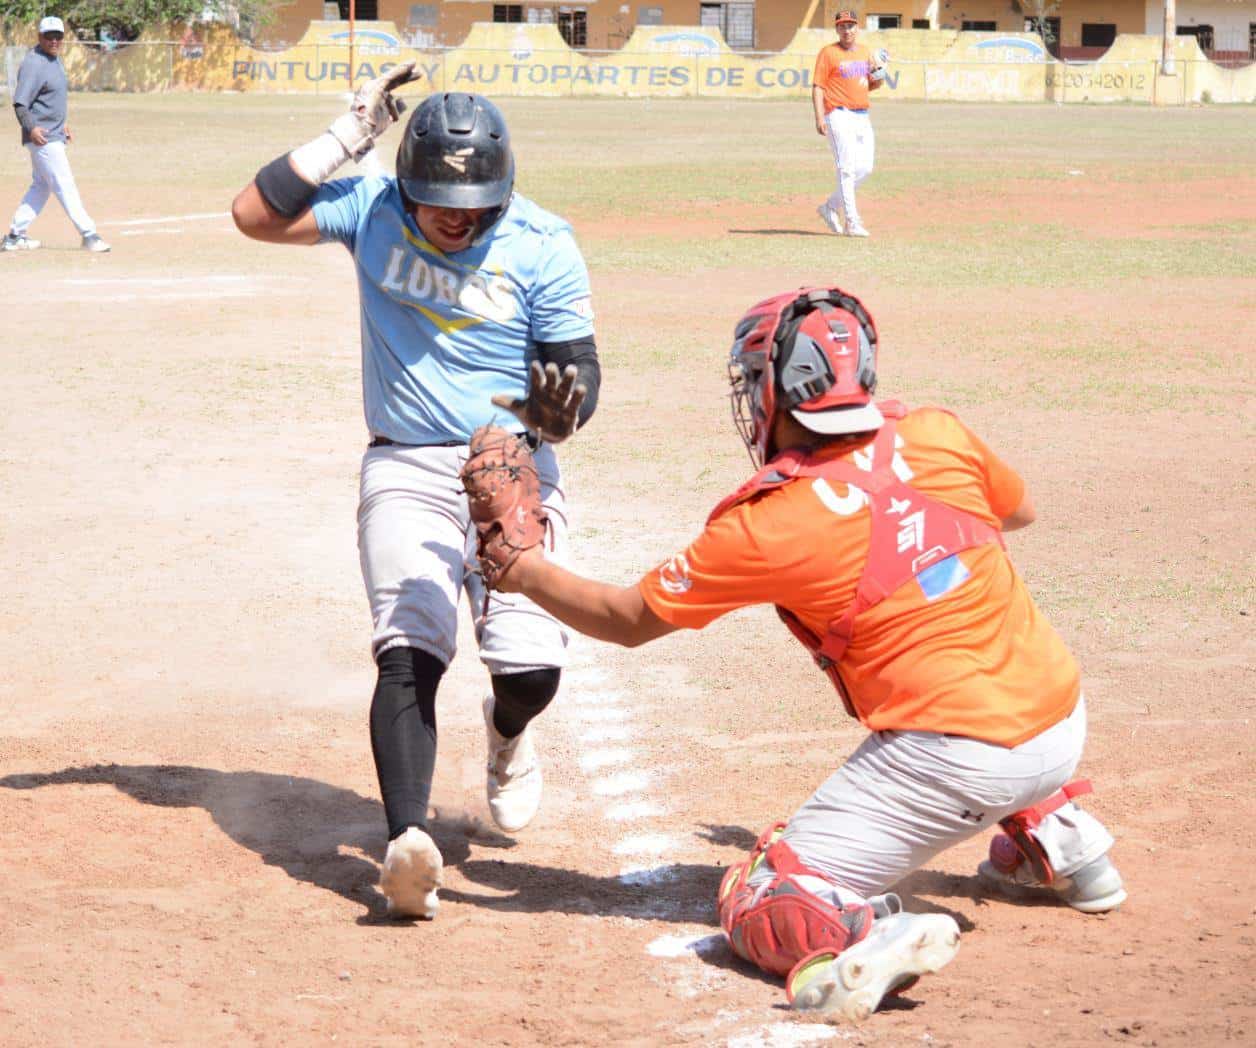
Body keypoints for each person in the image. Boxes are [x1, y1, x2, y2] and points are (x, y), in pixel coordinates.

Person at [474, 286, 1125, 1020]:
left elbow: (627, 619)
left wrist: (518, 567)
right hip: (1060, 717)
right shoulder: (937, 429)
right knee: (968, 655)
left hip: (959, 757)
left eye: (754, 383)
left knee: (759, 902)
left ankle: (872, 932)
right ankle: (1072, 845)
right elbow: (1019, 511)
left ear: (777, 389)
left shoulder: (769, 522)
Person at [231, 71, 602, 920]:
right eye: (438, 198)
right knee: (409, 646)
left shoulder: (543, 241)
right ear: (407, 181)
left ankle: (508, 733)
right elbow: (254, 215)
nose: (454, 215)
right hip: (403, 464)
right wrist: (350, 131)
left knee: (531, 669)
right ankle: (408, 842)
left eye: (473, 201)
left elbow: (578, 370)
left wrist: (536, 433)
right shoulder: (370, 207)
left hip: (514, 465)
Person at [3, 16, 110, 253]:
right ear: (39, 36)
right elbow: (20, 103)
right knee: (64, 183)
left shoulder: (54, 60)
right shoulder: (34, 63)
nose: (54, 40)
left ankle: (14, 235)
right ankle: (89, 234)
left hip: (53, 133)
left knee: (41, 186)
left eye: (58, 36)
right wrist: (31, 128)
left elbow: (49, 100)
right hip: (42, 138)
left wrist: (62, 124)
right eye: (49, 36)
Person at [811, 10, 887, 239]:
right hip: (838, 114)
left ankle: (830, 206)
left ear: (857, 28)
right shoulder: (828, 53)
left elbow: (874, 84)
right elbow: (818, 87)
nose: (847, 30)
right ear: (837, 29)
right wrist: (819, 117)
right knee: (846, 168)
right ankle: (852, 222)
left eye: (851, 25)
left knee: (865, 168)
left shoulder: (865, 52)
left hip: (862, 115)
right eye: (842, 26)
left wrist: (880, 71)